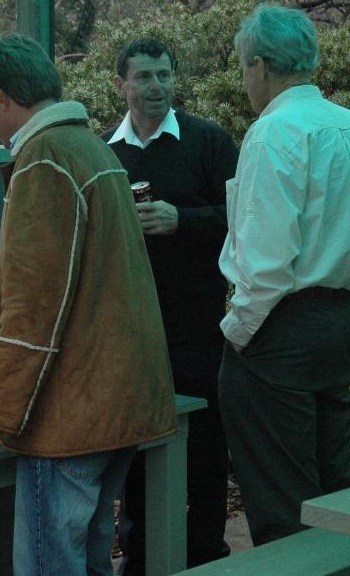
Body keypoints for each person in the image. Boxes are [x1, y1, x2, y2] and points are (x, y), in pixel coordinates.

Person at [0, 33, 177, 576]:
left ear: (1, 98)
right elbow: (74, 254)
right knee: (92, 554)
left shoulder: (43, 158)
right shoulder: (89, 145)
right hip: (121, 398)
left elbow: (36, 307)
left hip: (71, 412)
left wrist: (0, 411)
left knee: (49, 563)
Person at [218, 5, 350, 545]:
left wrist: (238, 333)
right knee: (332, 490)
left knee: (283, 504)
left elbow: (267, 261)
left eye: (245, 68)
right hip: (337, 325)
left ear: (261, 65)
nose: (246, 80)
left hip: (278, 328)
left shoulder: (274, 132)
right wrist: (344, 308)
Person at [102, 38, 237, 573]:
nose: (156, 87)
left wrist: (184, 220)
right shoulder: (107, 153)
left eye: (164, 75)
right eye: (144, 77)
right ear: (122, 85)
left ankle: (207, 555)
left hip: (199, 322)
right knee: (137, 448)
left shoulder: (208, 141)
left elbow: (246, 220)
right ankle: (140, 558)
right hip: (131, 328)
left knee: (204, 446)